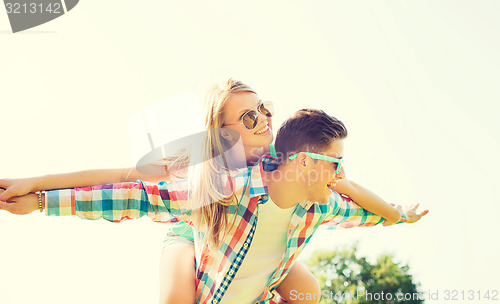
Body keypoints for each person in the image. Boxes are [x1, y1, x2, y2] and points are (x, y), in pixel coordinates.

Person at [0, 107, 428, 304]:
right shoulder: (223, 186)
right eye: (334, 163)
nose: (340, 175)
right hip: (197, 256)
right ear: (301, 161)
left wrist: (400, 215)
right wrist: (40, 198)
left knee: (308, 291)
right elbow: (132, 190)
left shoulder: (322, 205)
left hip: (256, 293)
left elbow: (367, 210)